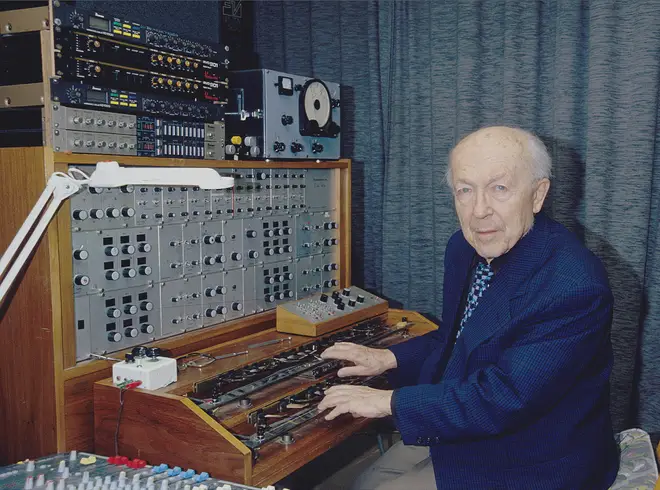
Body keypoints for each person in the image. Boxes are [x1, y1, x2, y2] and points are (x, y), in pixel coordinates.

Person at [318, 126, 620, 489]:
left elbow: (505, 397)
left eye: (499, 188)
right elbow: (456, 336)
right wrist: (387, 359)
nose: (479, 211)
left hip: (537, 456)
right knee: (363, 483)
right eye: (465, 190)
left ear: (538, 196)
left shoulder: (573, 287)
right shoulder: (464, 248)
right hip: (476, 425)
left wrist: (389, 402)